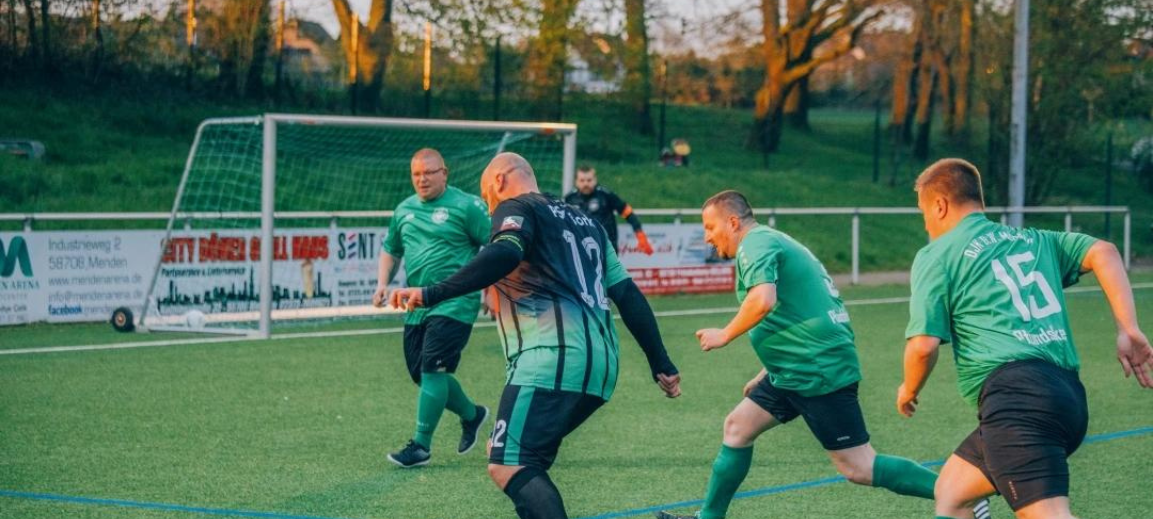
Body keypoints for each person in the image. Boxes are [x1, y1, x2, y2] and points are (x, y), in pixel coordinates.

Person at [390, 152, 682, 519]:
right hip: (601, 367)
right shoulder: (589, 222)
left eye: (487, 194)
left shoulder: (516, 207)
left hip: (551, 357)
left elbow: (505, 253)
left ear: (499, 181)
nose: (489, 207)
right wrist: (660, 361)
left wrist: (433, 292)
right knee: (513, 455)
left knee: (509, 463)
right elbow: (626, 293)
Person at [657, 190, 970, 519]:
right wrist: (767, 371)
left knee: (859, 466)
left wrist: (724, 334)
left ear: (733, 222)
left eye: (710, 227)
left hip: (816, 369)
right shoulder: (770, 241)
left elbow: (763, 300)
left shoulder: (755, 243)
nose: (707, 237)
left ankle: (962, 496)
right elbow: (800, 311)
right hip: (795, 368)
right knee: (738, 427)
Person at [899, 158, 1152, 519]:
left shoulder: (937, 255)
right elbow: (1104, 251)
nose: (925, 223)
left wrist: (908, 390)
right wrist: (1128, 328)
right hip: (1066, 396)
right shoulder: (1034, 240)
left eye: (923, 213)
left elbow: (923, 347)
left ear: (939, 205)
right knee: (952, 493)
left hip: (1016, 402)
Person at [371, 148, 492, 468]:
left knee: (433, 369)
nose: (422, 179)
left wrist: (494, 289)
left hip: (456, 301)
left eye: (429, 172)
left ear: (444, 173)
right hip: (417, 302)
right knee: (421, 374)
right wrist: (382, 283)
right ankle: (472, 415)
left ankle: (421, 446)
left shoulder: (467, 206)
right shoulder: (404, 209)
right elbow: (391, 249)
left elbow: (498, 247)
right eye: (416, 174)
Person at [564, 165, 654, 255]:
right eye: (582, 180)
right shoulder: (569, 199)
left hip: (607, 247)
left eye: (589, 180)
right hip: (581, 248)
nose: (586, 184)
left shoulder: (606, 195)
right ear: (576, 182)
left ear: (595, 180)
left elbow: (627, 212)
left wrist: (640, 234)